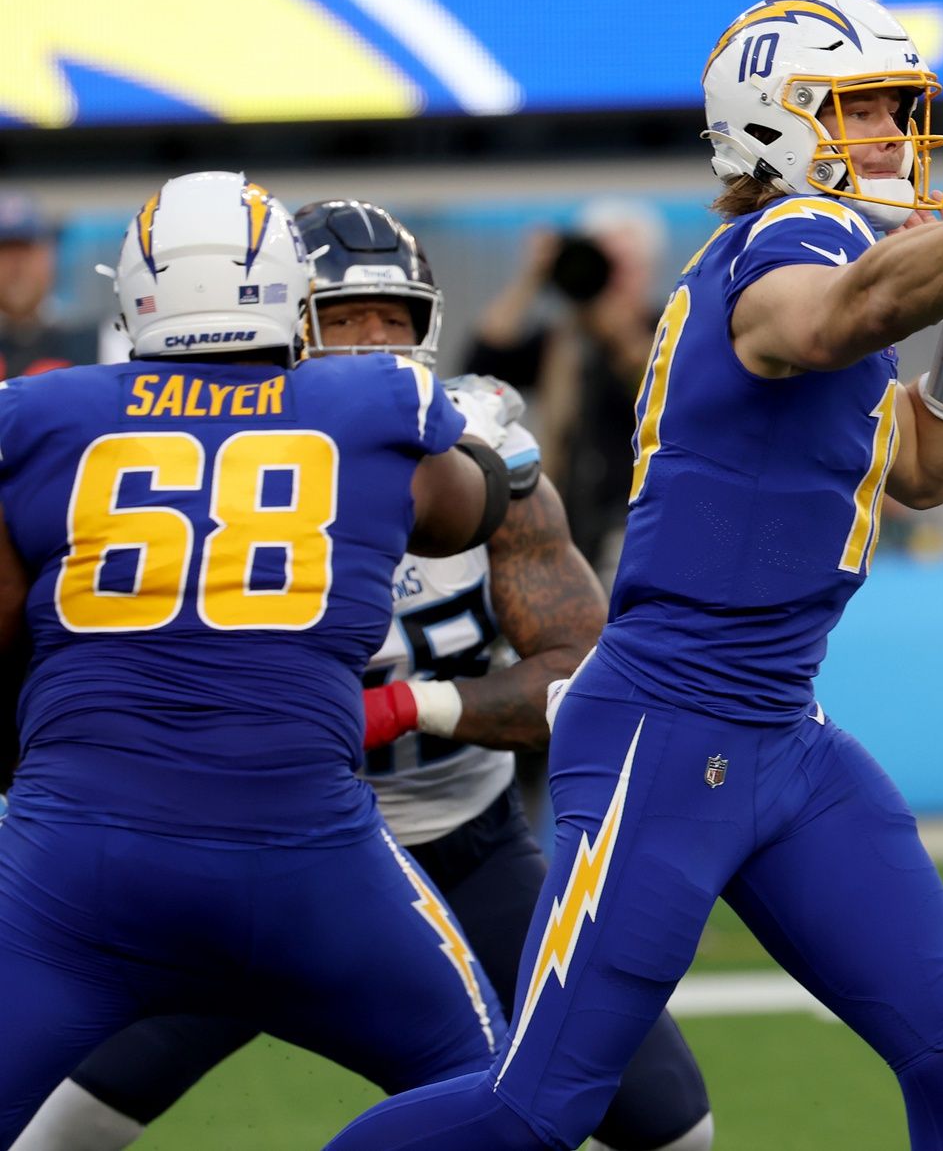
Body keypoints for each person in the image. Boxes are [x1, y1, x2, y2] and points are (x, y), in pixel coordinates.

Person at [322, 0, 943, 1151]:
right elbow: (822, 324)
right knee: (540, 1108)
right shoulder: (789, 236)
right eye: (865, 110)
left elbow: (922, 469)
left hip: (782, 729)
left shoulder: (837, 264)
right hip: (666, 728)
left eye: (897, 109)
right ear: (778, 123)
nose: (893, 138)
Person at [12, 200, 713, 1151]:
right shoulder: (279, 449)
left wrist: (407, 705)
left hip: (455, 842)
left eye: (397, 318)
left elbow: (588, 678)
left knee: (676, 1129)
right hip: (278, 841)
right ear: (288, 320)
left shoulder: (466, 438)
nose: (377, 342)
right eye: (346, 318)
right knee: (68, 1130)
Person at [0, 171, 517, 1144]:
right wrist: (482, 443)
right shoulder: (378, 399)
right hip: (306, 856)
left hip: (78, 862)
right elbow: (466, 512)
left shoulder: (36, 417)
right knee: (495, 1093)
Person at [465, 201, 668, 568]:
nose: (612, 280)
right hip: (567, 525)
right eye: (605, 266)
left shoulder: (668, 332)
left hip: (637, 526)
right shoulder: (562, 341)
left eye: (623, 268)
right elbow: (482, 358)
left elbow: (659, 392)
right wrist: (534, 277)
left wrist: (616, 331)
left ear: (647, 271)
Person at [0, 190, 96, 379]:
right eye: (5, 251)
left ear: (50, 255)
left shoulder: (95, 341)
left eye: (26, 249)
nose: (17, 266)